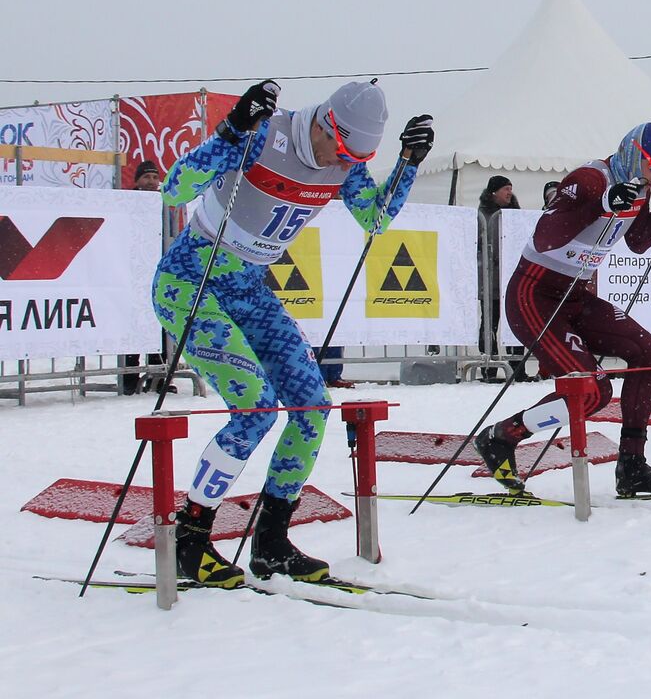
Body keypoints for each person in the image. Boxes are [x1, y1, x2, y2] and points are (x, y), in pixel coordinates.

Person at [153, 79, 434, 587]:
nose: (342, 165)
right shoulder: (265, 135)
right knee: (255, 408)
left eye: (357, 158)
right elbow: (175, 189)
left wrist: (408, 164)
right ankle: (190, 539)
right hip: (191, 280)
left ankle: (271, 542)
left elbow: (374, 218)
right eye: (343, 152)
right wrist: (231, 130)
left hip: (248, 287)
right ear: (326, 124)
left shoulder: (345, 161)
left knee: (310, 406)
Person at [473, 123, 651, 498]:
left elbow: (640, 242)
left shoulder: (639, 187)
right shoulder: (589, 179)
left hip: (576, 296)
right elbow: (545, 237)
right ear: (631, 153)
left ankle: (632, 465)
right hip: (536, 295)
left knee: (646, 349)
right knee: (594, 392)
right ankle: (504, 436)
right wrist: (602, 203)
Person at [122, 161, 172, 395]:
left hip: (157, 273)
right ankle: (129, 377)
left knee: (159, 326)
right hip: (133, 275)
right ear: (137, 181)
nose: (151, 182)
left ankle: (160, 376)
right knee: (134, 326)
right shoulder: (127, 205)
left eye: (155, 177)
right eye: (146, 178)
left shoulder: (165, 203)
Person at [477, 175, 525, 381]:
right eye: (505, 188)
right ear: (493, 192)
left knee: (517, 324)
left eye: (510, 188)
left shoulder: (515, 215)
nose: (509, 193)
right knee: (489, 323)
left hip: (513, 279)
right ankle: (490, 368)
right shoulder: (481, 215)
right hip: (490, 280)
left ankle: (518, 369)